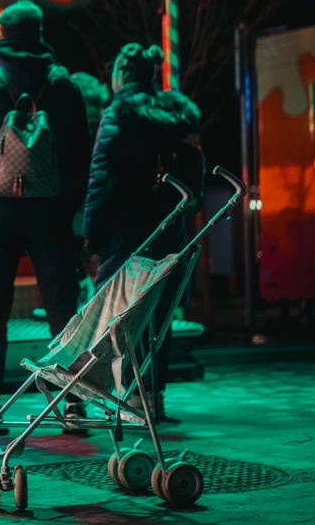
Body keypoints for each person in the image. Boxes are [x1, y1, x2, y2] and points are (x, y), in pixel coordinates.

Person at [0, 0, 90, 434]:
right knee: (63, 310)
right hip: (51, 214)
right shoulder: (65, 86)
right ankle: (71, 405)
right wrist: (70, 212)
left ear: (2, 35)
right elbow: (80, 158)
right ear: (39, 34)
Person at [82, 43, 201, 422]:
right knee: (158, 314)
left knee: (117, 313)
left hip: (124, 231)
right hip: (168, 227)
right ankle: (152, 395)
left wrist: (91, 233)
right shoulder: (173, 114)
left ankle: (124, 394)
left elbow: (102, 177)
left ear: (122, 71)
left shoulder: (119, 113)